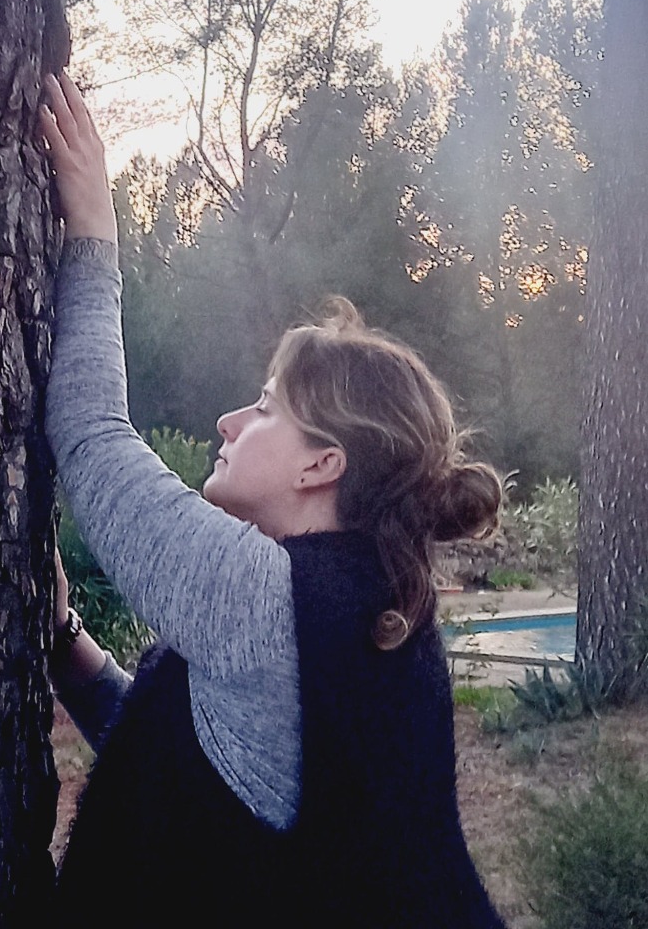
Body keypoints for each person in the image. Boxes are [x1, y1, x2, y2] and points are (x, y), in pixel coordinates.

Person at [41, 71, 508, 928]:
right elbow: (203, 768)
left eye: (262, 409)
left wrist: (94, 232)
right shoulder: (368, 610)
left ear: (319, 465)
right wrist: (68, 647)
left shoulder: (271, 598)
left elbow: (92, 435)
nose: (227, 420)